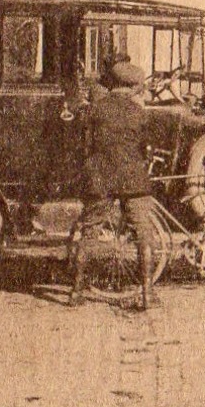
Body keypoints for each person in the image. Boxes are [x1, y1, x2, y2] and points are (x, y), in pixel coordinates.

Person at [70, 59, 162, 308]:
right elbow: (146, 149)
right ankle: (147, 293)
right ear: (133, 88)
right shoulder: (139, 114)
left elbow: (83, 141)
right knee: (145, 235)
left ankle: (76, 292)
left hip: (100, 179)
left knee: (88, 234)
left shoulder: (95, 110)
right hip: (133, 181)